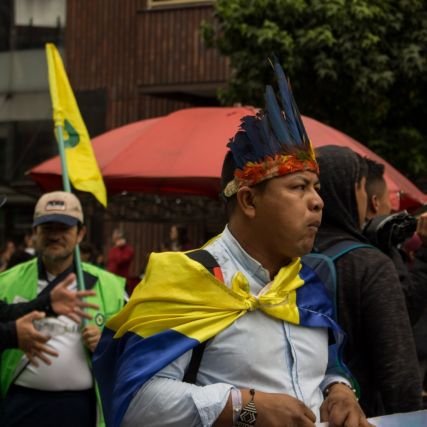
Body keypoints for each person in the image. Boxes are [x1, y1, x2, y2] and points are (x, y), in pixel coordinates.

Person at [94, 61, 371, 427]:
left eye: (316, 188)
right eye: (298, 187)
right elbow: (137, 403)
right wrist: (247, 407)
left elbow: (324, 366)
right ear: (249, 202)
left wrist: (339, 389)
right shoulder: (187, 279)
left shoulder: (307, 284)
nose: (317, 201)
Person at [0, 191, 126, 427]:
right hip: (18, 405)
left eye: (64, 228)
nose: (55, 236)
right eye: (47, 228)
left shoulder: (112, 287)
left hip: (80, 408)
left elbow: (138, 346)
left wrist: (108, 344)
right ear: (34, 233)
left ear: (80, 234)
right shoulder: (5, 282)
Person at [314, 145, 422, 417]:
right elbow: (401, 380)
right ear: (350, 192)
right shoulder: (369, 265)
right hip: (358, 417)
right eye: (362, 187)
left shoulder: (284, 256)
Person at [364, 157, 427, 407]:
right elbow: (405, 306)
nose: (392, 211)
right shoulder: (372, 256)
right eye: (390, 203)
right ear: (374, 202)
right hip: (384, 396)